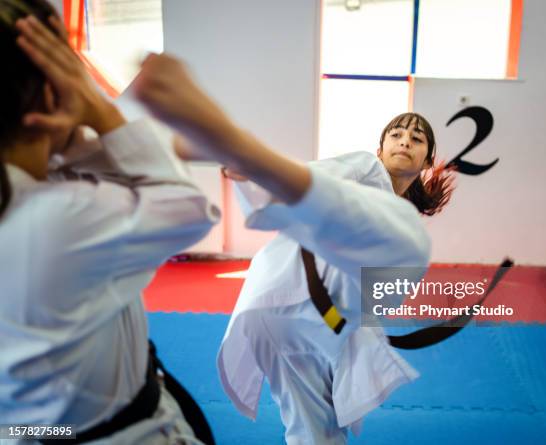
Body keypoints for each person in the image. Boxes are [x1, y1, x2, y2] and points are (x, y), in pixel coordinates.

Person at [130, 50, 454, 443]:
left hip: (315, 322)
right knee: (315, 431)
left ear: (426, 160)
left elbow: (371, 294)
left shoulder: (399, 216)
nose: (405, 141)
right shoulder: (366, 170)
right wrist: (255, 167)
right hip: (292, 311)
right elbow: (317, 176)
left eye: (416, 138)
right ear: (381, 146)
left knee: (320, 427)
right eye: (396, 134)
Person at [0, 3, 218, 443]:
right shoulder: (56, 218)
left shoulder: (40, 202)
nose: (402, 141)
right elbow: (187, 207)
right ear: (49, 95)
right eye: (397, 134)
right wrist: (101, 113)